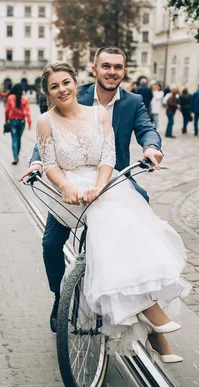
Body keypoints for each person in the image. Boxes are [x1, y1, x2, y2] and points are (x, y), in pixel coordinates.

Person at [20, 47, 182, 361]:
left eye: (117, 67)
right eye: (105, 66)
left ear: (124, 71)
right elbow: (47, 144)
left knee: (138, 218)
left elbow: (147, 129)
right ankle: (60, 297)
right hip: (69, 187)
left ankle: (139, 309)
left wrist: (151, 148)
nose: (111, 72)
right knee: (51, 243)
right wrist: (37, 165)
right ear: (94, 69)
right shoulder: (70, 92)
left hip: (113, 180)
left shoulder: (132, 102)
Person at [5, 83, 32, 165]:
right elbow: (27, 112)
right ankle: (17, 155)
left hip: (13, 121)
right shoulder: (25, 99)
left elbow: (7, 110)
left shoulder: (10, 98)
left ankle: (15, 157)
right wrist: (29, 122)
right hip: (22, 122)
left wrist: (6, 120)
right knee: (19, 139)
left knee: (14, 139)